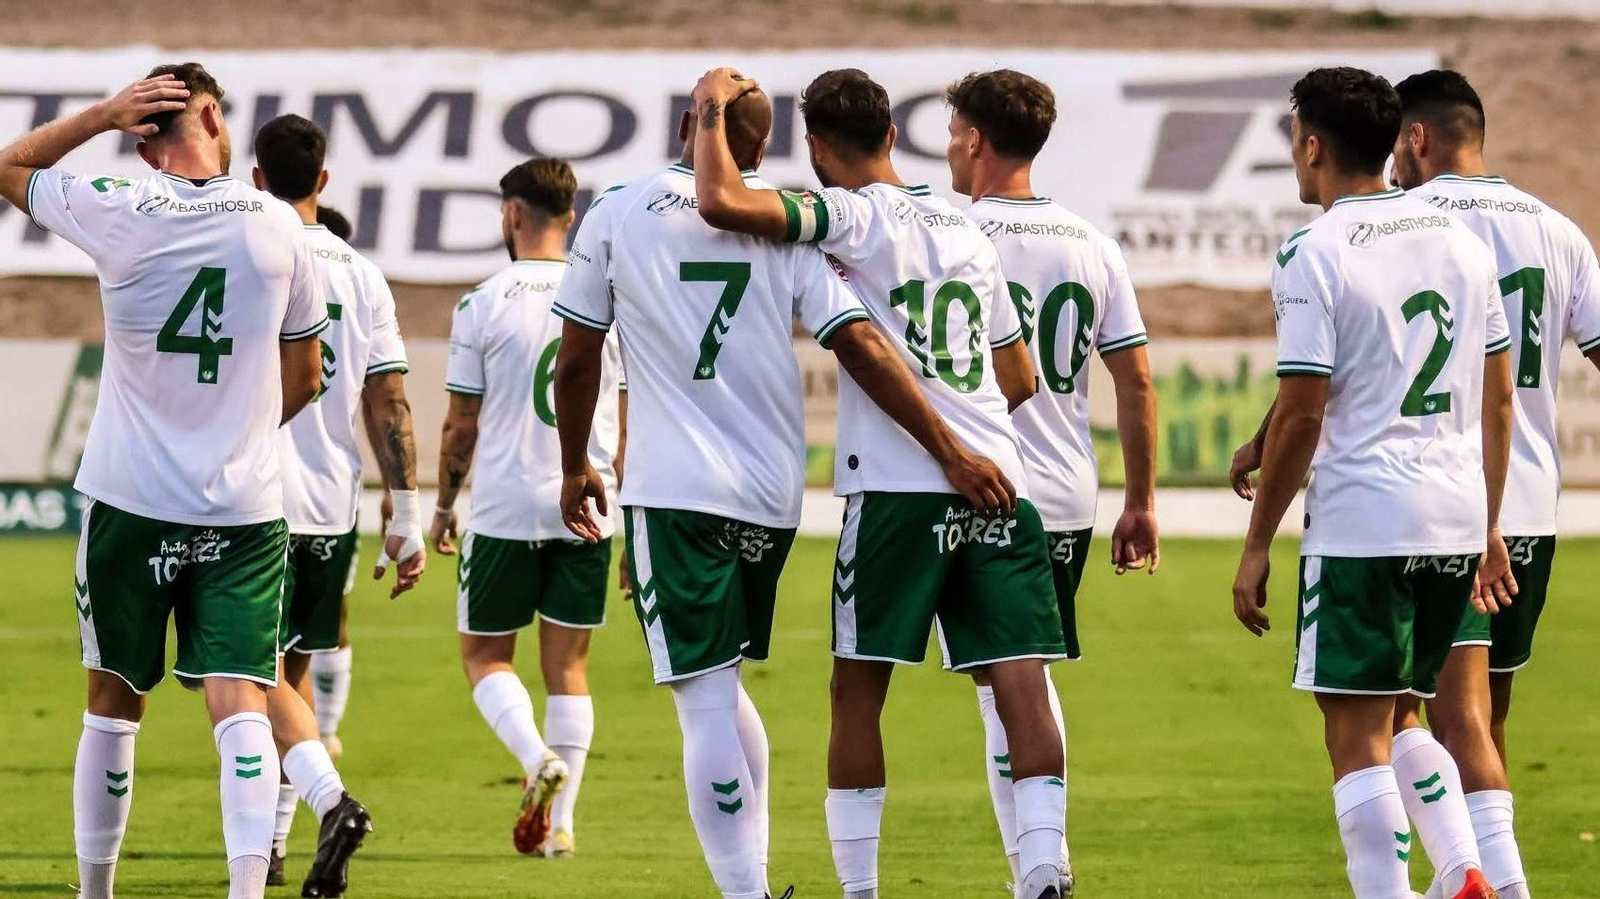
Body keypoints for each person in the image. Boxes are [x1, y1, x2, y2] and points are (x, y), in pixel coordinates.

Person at [552, 83, 1012, 899]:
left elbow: (580, 356)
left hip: (677, 489)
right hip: (771, 494)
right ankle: (757, 880)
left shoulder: (617, 211)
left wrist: (575, 463)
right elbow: (861, 343)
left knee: (703, 700)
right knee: (724, 685)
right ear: (761, 149)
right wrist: (950, 446)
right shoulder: (785, 224)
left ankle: (745, 893)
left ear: (689, 125)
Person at [688, 67, 1070, 899]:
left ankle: (860, 889)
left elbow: (720, 200)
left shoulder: (847, 215)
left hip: (900, 486)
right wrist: (969, 433)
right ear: (894, 135)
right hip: (1001, 479)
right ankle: (1045, 865)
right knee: (1020, 681)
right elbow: (1018, 375)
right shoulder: (965, 225)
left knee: (858, 692)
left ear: (816, 148)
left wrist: (711, 107)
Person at [0, 64, 329, 899]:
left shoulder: (118, 207)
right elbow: (308, 373)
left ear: (144, 142)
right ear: (212, 118)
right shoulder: (279, 224)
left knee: (112, 702)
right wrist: (240, 432)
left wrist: (102, 116)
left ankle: (95, 892)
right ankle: (246, 892)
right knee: (242, 699)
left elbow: (10, 165)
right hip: (244, 507)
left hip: (131, 499)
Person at [1228, 66, 1514, 899]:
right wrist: (1488, 523)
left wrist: (1256, 544)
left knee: (1354, 736)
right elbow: (1498, 396)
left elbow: (1305, 412)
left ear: (1314, 145)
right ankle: (1464, 869)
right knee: (1406, 708)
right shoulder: (1463, 243)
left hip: (1365, 520)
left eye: (1295, 139)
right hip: (1454, 516)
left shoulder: (1312, 251)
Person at [947, 68, 1161, 896]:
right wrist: (1141, 500)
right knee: (1021, 672)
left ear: (975, 139)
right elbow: (1134, 380)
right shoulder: (1090, 241)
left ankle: (1041, 867)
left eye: (953, 131)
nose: (950, 146)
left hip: (988, 486)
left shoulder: (952, 235)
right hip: (1070, 490)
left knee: (1009, 681)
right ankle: (1039, 865)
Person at [1390, 67, 1600, 899]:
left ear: (1416, 137)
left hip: (1449, 503)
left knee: (1419, 713)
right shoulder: (1558, 230)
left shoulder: (1408, 225)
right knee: (1484, 715)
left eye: (1395, 144)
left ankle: (1490, 881)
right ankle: (1471, 873)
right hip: (1534, 505)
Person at [253, 113, 426, 891]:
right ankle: (280, 840)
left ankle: (275, 839)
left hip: (247, 499)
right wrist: (407, 514)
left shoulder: (249, 250)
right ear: (323, 181)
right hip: (328, 505)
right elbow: (389, 401)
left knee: (243, 683)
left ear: (257, 180)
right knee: (288, 678)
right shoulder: (363, 274)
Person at [430, 158, 619, 858]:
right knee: (569, 668)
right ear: (571, 218)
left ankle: (537, 757)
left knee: (484, 656)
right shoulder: (609, 298)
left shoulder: (482, 302)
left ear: (512, 214)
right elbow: (629, 419)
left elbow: (461, 424)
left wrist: (443, 505)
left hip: (506, 504)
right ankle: (560, 828)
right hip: (590, 501)